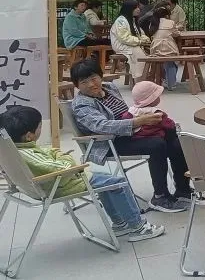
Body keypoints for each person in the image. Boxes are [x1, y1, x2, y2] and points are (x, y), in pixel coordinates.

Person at [0, 106, 165, 242]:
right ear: (29, 136)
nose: (40, 130)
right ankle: (138, 227)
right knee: (118, 182)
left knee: (108, 182)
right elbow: (62, 166)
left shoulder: (16, 148)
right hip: (61, 185)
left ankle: (120, 224)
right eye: (39, 127)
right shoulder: (28, 155)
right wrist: (63, 156)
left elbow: (51, 153)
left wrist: (57, 154)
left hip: (56, 182)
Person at [70, 59, 190, 213]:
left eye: (94, 78)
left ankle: (183, 190)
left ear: (100, 76)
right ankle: (160, 197)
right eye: (84, 82)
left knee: (175, 139)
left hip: (130, 133)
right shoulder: (82, 104)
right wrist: (139, 121)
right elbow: (102, 126)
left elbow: (127, 112)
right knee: (156, 144)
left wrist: (145, 119)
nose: (91, 84)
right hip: (108, 142)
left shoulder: (110, 88)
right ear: (76, 85)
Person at [140, 2, 181, 89]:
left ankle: (162, 80)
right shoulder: (171, 22)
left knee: (163, 62)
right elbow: (176, 34)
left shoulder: (153, 23)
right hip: (169, 49)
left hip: (155, 49)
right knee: (173, 61)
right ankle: (171, 83)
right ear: (167, 15)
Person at [110, 0, 150, 77]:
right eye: (135, 8)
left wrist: (146, 40)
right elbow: (124, 38)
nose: (138, 9)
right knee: (138, 53)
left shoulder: (132, 19)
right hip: (121, 45)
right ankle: (139, 77)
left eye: (138, 7)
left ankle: (147, 75)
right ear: (129, 9)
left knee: (150, 51)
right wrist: (140, 42)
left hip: (132, 44)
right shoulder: (120, 21)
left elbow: (140, 34)